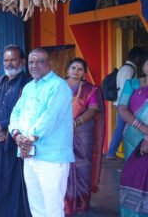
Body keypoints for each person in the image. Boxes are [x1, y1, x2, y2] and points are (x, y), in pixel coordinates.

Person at [10, 48, 74, 217]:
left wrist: (28, 139)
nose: (34, 65)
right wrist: (16, 135)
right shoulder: (29, 88)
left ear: (49, 63)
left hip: (52, 158)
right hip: (29, 155)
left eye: (40, 61)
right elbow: (16, 113)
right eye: (31, 62)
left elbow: (50, 117)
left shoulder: (59, 86)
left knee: (52, 207)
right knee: (36, 206)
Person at [0, 45, 32, 217]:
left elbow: (26, 111)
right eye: (6, 60)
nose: (9, 63)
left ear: (22, 61)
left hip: (15, 142)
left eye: (13, 59)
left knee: (16, 183)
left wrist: (2, 125)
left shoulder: (29, 84)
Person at [63, 58, 105, 216]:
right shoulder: (57, 86)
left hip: (82, 132)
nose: (76, 71)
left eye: (80, 69)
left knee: (83, 166)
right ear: (67, 69)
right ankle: (64, 202)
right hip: (59, 133)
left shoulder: (90, 89)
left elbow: (93, 109)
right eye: (73, 67)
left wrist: (76, 122)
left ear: (84, 73)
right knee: (62, 165)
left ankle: (81, 202)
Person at [117, 55, 148, 217]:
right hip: (133, 138)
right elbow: (122, 108)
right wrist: (143, 128)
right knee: (133, 175)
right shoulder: (132, 84)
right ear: (143, 67)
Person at [107, 47, 144, 159]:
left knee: (122, 128)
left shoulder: (125, 68)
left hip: (119, 103)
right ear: (136, 58)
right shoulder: (129, 70)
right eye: (141, 58)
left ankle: (112, 152)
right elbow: (126, 89)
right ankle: (111, 153)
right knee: (122, 128)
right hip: (124, 105)